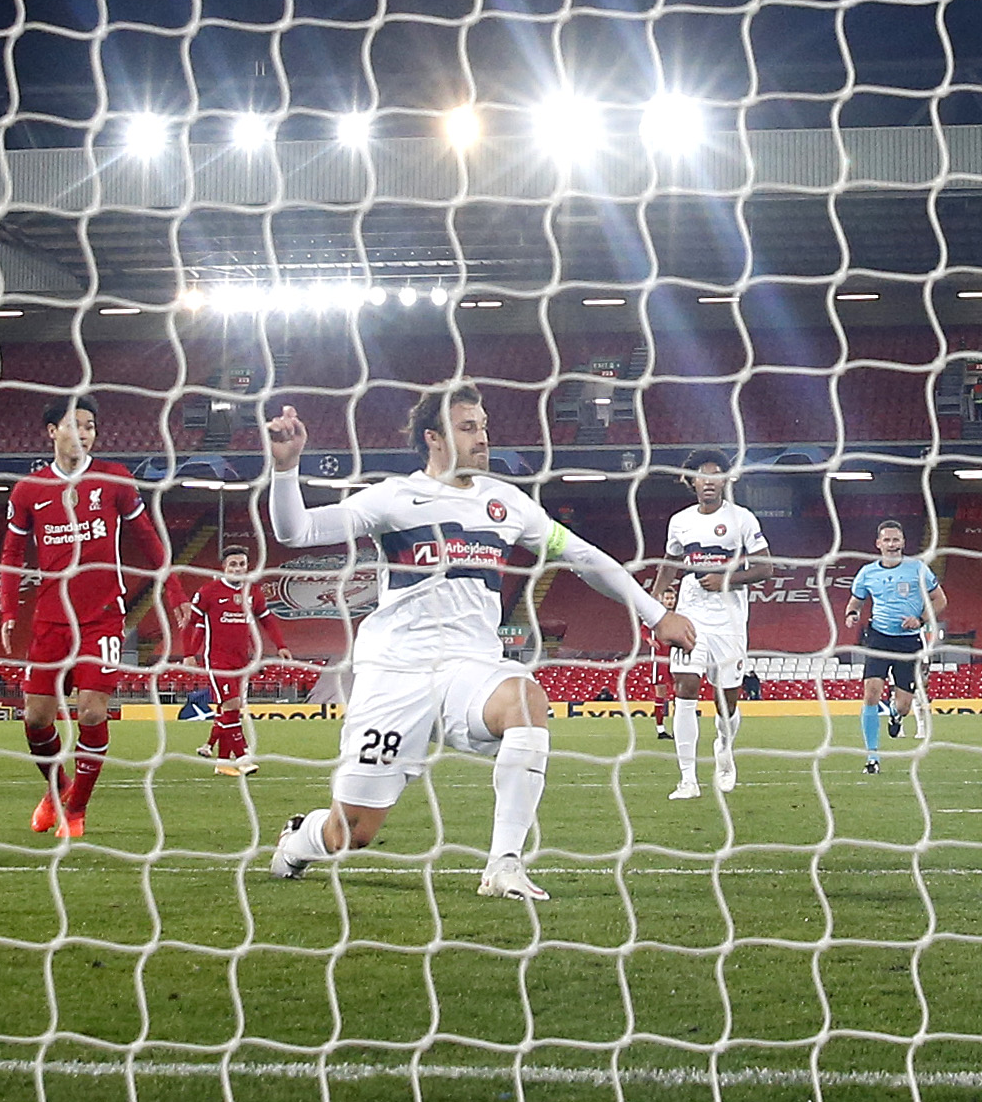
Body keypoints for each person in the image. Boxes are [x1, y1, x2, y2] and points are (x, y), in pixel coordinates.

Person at [263, 385, 696, 901]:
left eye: (483, 426)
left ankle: (504, 864)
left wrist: (656, 614)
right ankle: (297, 842)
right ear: (434, 438)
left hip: (469, 668)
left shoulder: (504, 503)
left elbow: (584, 557)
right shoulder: (394, 498)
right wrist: (285, 469)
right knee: (352, 832)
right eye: (468, 427)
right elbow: (297, 532)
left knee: (526, 699)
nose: (482, 437)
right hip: (394, 673)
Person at [0, 394, 186, 839]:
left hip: (102, 615)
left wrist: (173, 590)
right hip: (49, 619)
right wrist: (8, 608)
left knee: (90, 712)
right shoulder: (29, 491)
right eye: (73, 425)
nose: (82, 433)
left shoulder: (115, 479)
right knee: (37, 718)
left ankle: (77, 810)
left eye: (89, 426)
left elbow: (148, 538)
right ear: (52, 432)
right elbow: (9, 553)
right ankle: (56, 788)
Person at [650, 449, 772, 799]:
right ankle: (687, 779)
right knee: (685, 688)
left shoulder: (743, 519)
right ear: (690, 481)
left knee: (726, 703)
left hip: (729, 621)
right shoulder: (680, 521)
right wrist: (657, 600)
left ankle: (724, 746)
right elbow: (670, 562)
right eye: (702, 476)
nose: (709, 482)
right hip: (691, 615)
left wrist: (726, 580)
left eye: (716, 475)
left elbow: (766, 568)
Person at [843, 519, 946, 774]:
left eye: (895, 539)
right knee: (871, 692)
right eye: (886, 540)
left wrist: (920, 619)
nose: (891, 544)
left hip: (908, 642)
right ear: (878, 544)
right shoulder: (867, 573)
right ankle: (872, 757)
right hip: (878, 638)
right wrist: (852, 615)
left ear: (903, 542)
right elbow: (854, 603)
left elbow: (940, 599)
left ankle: (896, 715)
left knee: (903, 705)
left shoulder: (918, 569)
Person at [182, 543, 293, 776]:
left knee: (230, 710)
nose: (238, 568)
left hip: (242, 661)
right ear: (224, 567)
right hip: (218, 660)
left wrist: (281, 645)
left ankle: (223, 762)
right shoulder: (208, 592)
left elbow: (267, 620)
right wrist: (189, 654)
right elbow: (192, 624)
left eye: (242, 564)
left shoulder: (252, 592)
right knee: (231, 705)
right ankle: (242, 756)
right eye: (233, 564)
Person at [645, 584, 676, 740]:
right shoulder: (655, 614)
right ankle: (660, 729)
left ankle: (679, 728)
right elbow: (643, 628)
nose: (670, 601)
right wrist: (649, 639)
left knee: (679, 694)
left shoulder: (678, 615)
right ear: (662, 600)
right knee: (661, 695)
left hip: (676, 660)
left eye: (672, 598)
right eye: (667, 598)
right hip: (660, 660)